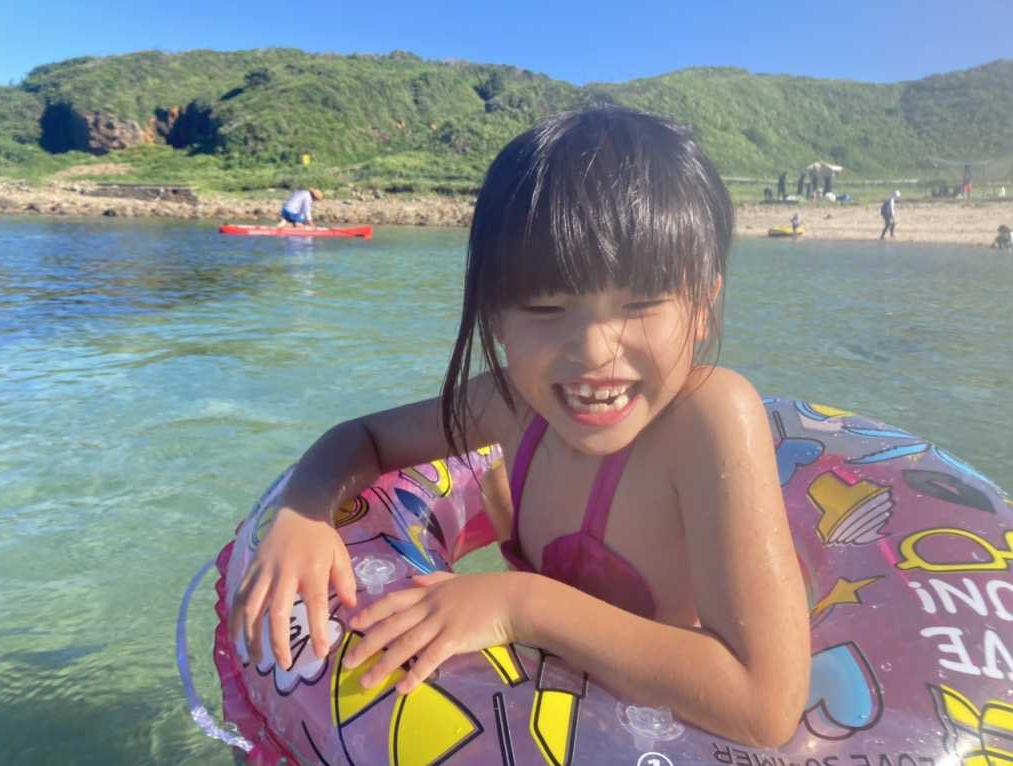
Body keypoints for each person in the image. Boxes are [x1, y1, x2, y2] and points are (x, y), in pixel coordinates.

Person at [230, 108, 809, 747]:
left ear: (702, 306)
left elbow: (764, 706)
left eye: (642, 303)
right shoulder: (508, 405)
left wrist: (517, 605)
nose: (594, 351)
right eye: (545, 307)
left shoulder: (708, 420)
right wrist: (306, 514)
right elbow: (364, 437)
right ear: (497, 316)